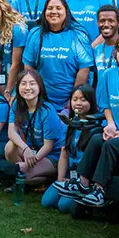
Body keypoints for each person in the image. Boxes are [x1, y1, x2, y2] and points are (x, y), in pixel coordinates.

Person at [54, 32, 119, 207]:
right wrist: (110, 124)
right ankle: (83, 183)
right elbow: (106, 106)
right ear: (115, 51)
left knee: (110, 144)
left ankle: (99, 189)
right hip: (117, 130)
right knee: (96, 138)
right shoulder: (108, 76)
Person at [22, 0, 93, 112]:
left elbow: (84, 69)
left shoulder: (78, 34)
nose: (54, 12)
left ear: (66, 11)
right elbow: (29, 67)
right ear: (44, 12)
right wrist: (35, 96)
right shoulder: (35, 34)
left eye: (58, 8)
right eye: (50, 8)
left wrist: (74, 99)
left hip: (71, 102)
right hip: (41, 101)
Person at [41, 85, 100, 215]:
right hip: (70, 174)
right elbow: (64, 155)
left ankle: (86, 202)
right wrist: (61, 178)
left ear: (92, 102)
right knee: (47, 202)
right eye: (75, 99)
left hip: (84, 179)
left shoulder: (98, 127)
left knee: (63, 206)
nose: (78, 103)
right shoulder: (70, 124)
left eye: (83, 99)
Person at [4, 67, 65, 189]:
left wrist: (29, 163)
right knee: (10, 146)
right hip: (32, 149)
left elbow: (48, 146)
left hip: (52, 155)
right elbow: (11, 133)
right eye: (23, 84)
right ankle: (24, 172)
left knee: (24, 176)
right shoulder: (17, 104)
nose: (27, 88)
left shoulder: (47, 111)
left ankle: (47, 178)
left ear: (40, 87)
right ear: (18, 87)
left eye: (32, 83)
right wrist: (26, 149)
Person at [91, 6, 119, 75]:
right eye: (102, 21)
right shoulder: (96, 50)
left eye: (111, 21)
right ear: (97, 23)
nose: (106, 24)